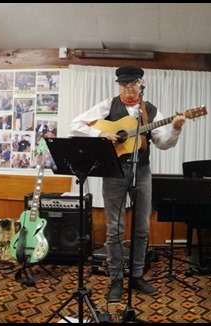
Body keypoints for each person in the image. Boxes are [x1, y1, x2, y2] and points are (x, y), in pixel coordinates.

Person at [68, 66, 186, 303]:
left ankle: (136, 275)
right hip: (114, 171)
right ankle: (115, 280)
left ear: (141, 83)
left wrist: (175, 127)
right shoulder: (108, 105)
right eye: (123, 84)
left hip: (142, 170)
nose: (127, 88)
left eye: (132, 83)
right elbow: (75, 124)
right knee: (114, 229)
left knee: (142, 227)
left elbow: (163, 143)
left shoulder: (150, 110)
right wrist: (101, 135)